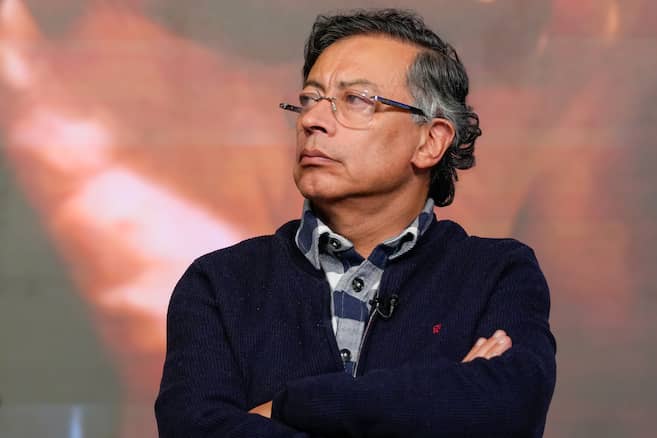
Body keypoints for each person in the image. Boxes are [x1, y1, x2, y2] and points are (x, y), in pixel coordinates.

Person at [155, 9, 556, 437]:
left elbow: (508, 408)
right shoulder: (220, 283)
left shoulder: (496, 274)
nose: (311, 120)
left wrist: (287, 407)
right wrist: (438, 398)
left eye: (356, 100)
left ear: (430, 140)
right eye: (309, 99)